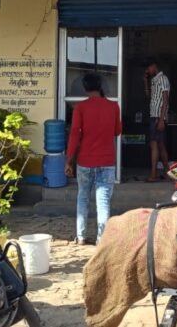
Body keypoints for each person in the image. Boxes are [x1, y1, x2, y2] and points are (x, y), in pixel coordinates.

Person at [66, 73, 122, 245]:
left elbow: (74, 135)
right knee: (103, 202)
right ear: (100, 86)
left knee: (83, 197)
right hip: (107, 161)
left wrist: (69, 160)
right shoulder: (113, 107)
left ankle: (81, 236)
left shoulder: (80, 108)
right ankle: (102, 239)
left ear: (85, 88)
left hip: (85, 161)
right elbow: (117, 131)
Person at [144, 60, 171, 182]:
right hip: (154, 115)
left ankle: (154, 174)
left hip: (158, 117)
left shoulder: (163, 79)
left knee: (154, 144)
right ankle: (167, 172)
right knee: (160, 145)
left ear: (154, 66)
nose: (147, 71)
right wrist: (145, 82)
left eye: (148, 68)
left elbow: (165, 100)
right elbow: (150, 98)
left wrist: (161, 119)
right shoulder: (154, 80)